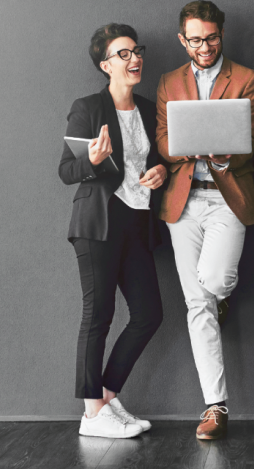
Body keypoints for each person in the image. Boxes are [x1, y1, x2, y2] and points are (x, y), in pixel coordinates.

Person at [155, 0, 254, 440]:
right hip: (182, 203)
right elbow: (164, 142)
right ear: (183, 39)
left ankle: (220, 297)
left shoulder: (249, 79)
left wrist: (224, 153)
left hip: (227, 197)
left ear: (222, 34)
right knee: (196, 306)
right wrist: (191, 146)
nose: (205, 46)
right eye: (196, 39)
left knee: (214, 282)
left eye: (212, 37)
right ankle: (215, 407)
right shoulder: (168, 81)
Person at [59, 24, 167, 438]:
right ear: (106, 65)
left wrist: (160, 170)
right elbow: (66, 170)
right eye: (123, 54)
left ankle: (105, 397)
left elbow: (158, 160)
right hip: (97, 224)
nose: (135, 58)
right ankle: (91, 415)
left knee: (149, 314)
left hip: (138, 222)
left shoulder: (148, 108)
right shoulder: (87, 107)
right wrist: (91, 158)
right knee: (98, 315)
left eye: (136, 51)